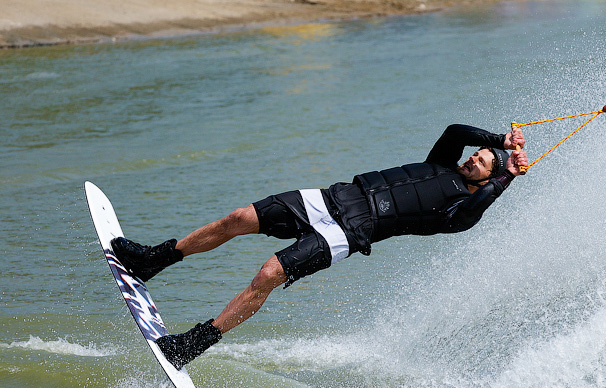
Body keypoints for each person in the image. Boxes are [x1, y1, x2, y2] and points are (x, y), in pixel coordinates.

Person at [112, 124, 528, 369]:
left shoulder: (456, 210)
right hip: (335, 197)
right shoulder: (442, 161)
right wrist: (499, 140)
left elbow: (473, 213)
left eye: (481, 163)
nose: (472, 159)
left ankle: (195, 343)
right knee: (238, 218)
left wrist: (504, 178)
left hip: (349, 233)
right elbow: (456, 131)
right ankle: (154, 260)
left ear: (485, 180)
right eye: (475, 156)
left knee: (268, 275)